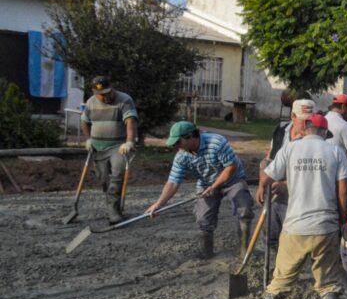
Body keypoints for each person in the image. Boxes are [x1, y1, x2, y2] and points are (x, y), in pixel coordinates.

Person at [255, 114, 347, 299]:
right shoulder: (336, 152)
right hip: (325, 226)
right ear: (324, 133)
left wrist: (263, 172)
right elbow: (344, 192)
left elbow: (267, 178)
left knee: (280, 280)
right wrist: (342, 220)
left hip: (295, 227)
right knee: (328, 281)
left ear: (306, 129)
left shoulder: (290, 149)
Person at [145, 121, 255, 259]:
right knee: (203, 218)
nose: (176, 147)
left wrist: (214, 186)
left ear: (191, 137)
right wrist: (158, 204)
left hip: (232, 179)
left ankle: (244, 251)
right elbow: (173, 182)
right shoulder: (182, 155)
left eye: (178, 142)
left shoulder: (216, 142)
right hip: (206, 183)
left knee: (244, 209)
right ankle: (207, 252)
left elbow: (230, 167)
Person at [80, 76, 138, 224]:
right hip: (98, 148)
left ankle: (113, 213)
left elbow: (130, 121)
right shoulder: (90, 102)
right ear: (94, 92)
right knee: (104, 180)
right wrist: (88, 139)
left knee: (117, 176)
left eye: (108, 92)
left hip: (118, 147)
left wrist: (129, 142)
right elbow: (84, 122)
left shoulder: (124, 100)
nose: (106, 97)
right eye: (102, 94)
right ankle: (114, 208)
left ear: (112, 88)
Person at [260, 97, 316, 250]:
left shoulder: (316, 140)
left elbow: (314, 175)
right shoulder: (280, 130)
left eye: (310, 120)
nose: (307, 124)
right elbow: (268, 158)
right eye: (303, 119)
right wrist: (261, 184)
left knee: (292, 239)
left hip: (297, 197)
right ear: (292, 116)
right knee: (270, 236)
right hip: (273, 192)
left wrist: (287, 184)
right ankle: (273, 268)